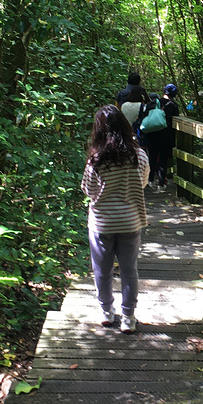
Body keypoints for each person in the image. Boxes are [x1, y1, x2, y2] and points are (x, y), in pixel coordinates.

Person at [81, 105, 150, 334]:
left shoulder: (96, 159)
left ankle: (106, 312)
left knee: (102, 270)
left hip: (102, 223)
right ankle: (128, 317)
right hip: (130, 221)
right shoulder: (138, 155)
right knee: (130, 270)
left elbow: (88, 190)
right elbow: (142, 183)